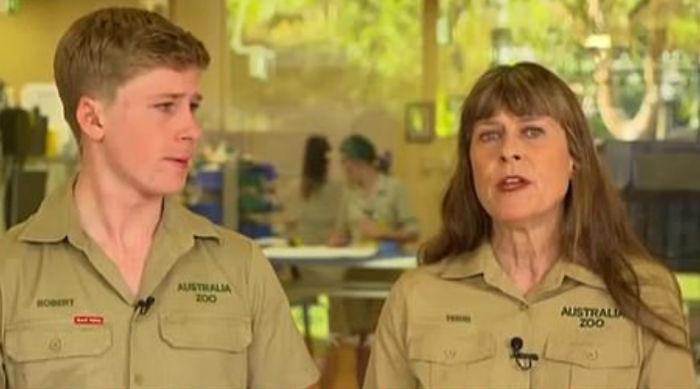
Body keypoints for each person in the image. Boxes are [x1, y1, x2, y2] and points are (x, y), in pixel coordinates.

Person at [0, 7, 318, 389]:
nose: (191, 129)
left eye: (192, 106)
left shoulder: (242, 269)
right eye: (166, 106)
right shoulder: (10, 274)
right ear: (93, 119)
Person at [364, 62, 696, 389]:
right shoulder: (416, 298)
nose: (509, 151)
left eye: (532, 131)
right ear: (470, 166)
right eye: (490, 135)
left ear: (574, 158)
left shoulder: (644, 293)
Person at [327, 134, 419, 386]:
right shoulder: (349, 195)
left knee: (383, 340)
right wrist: (337, 240)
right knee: (359, 340)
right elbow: (341, 232)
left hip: (386, 274)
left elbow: (413, 231)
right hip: (356, 274)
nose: (345, 171)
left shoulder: (394, 189)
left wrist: (383, 233)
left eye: (346, 164)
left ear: (358, 163)